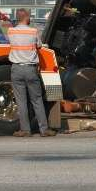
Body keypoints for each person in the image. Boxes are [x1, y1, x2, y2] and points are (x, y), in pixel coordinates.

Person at [8, 8, 56, 138]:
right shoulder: (33, 31)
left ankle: (25, 130)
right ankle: (44, 130)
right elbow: (39, 46)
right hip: (30, 69)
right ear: (26, 18)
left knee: (21, 101)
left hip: (16, 69)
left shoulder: (11, 31)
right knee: (37, 99)